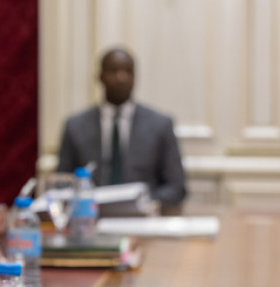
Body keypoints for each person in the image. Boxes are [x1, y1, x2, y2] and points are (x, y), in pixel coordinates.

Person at [57, 47, 187, 212]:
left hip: (143, 218)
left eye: (127, 72)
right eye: (114, 71)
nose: (121, 78)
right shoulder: (75, 126)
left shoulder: (160, 125)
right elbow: (61, 184)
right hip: (90, 216)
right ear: (100, 76)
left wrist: (142, 203)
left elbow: (177, 188)